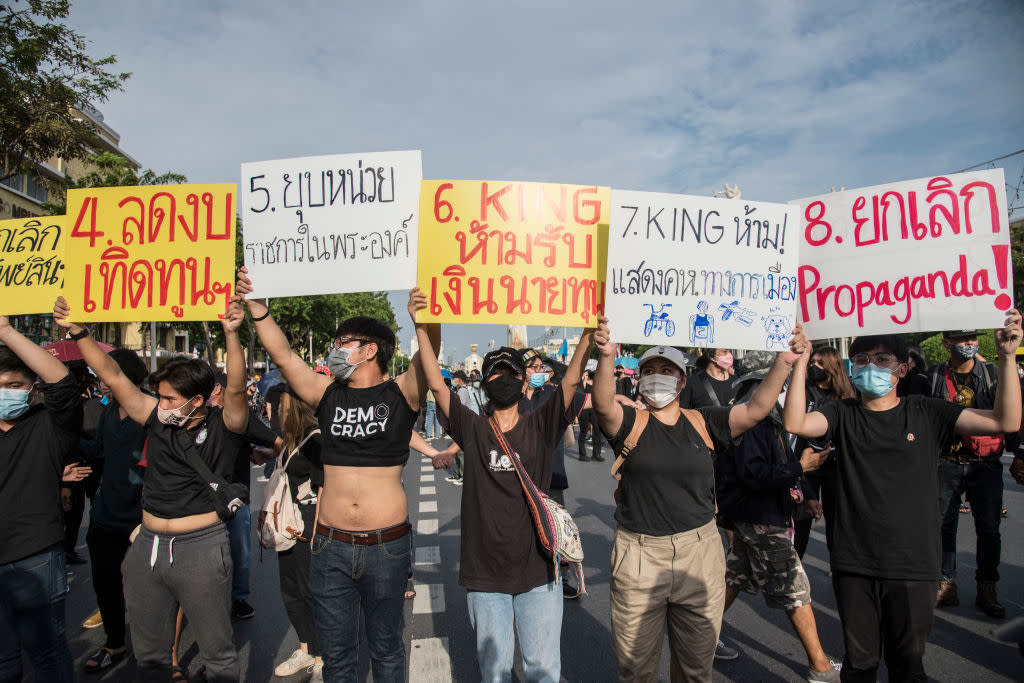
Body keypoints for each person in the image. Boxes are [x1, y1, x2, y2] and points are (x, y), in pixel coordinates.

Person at [783, 312, 1022, 683]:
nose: (870, 367)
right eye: (861, 360)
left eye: (882, 360)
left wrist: (1007, 357)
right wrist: (797, 364)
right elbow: (796, 423)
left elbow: (1004, 422)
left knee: (907, 666)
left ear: (904, 368)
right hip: (854, 563)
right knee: (860, 665)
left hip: (914, 566)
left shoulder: (927, 411)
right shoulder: (841, 413)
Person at [236, 268, 437, 682]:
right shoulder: (327, 394)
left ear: (369, 351)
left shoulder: (401, 393)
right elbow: (285, 358)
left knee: (386, 650)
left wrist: (426, 319)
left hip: (387, 547)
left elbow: (427, 355)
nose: (334, 349)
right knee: (338, 656)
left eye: (343, 343)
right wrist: (259, 312)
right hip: (329, 547)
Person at [591, 315, 802, 682]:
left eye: (667, 370)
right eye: (650, 369)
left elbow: (755, 410)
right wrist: (607, 355)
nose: (658, 376)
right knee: (635, 670)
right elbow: (603, 403)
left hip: (699, 555)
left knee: (695, 671)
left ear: (683, 379)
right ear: (639, 380)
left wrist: (784, 361)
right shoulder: (628, 422)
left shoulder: (704, 421)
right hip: (639, 557)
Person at [53, 296, 252, 682]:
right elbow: (112, 375)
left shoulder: (225, 425)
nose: (159, 405)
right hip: (147, 547)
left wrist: (232, 333)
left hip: (201, 547)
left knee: (218, 654)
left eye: (169, 399)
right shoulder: (155, 418)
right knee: (151, 657)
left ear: (197, 401)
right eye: (158, 397)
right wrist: (78, 332)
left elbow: (238, 388)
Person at [412, 288, 596, 683]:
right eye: (494, 373)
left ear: (522, 380)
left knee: (542, 671)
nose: (502, 379)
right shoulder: (474, 428)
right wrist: (421, 330)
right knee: (493, 672)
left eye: (510, 373)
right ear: (484, 384)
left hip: (539, 571)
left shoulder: (540, 425)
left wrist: (588, 331)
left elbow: (568, 386)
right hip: (485, 575)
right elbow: (438, 386)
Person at [716, 355, 840, 681]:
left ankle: (702, 636)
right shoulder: (755, 421)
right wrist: (803, 467)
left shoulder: (766, 418)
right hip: (761, 518)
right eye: (781, 381)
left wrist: (804, 494)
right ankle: (820, 665)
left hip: (756, 514)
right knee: (795, 590)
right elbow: (756, 475)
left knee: (736, 578)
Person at [0, 316, 83, 683]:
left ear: (32, 387)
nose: (5, 391)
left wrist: (6, 332)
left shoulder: (49, 424)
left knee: (48, 655)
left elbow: (63, 384)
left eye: (13, 384)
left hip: (34, 557)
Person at [78, 348, 149, 674]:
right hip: (106, 515)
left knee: (150, 590)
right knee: (105, 585)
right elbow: (99, 453)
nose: (101, 380)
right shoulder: (106, 412)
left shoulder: (152, 410)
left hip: (144, 518)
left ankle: (160, 652)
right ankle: (115, 643)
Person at [928, 329, 1008, 617]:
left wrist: (1019, 452)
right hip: (945, 461)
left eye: (973, 338)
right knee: (942, 525)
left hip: (985, 463)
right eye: (963, 340)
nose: (970, 344)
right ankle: (946, 583)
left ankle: (988, 587)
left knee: (988, 528)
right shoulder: (934, 375)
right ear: (946, 343)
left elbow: (1014, 413)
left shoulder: (992, 374)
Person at [270, 383, 325, 682]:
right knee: (291, 591)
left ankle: (321, 655)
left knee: (309, 591)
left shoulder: (316, 440)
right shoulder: (291, 442)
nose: (276, 410)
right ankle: (305, 648)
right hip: (287, 525)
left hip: (307, 524)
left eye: (280, 405)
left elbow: (324, 488)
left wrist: (318, 535)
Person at [793, 346, 856, 559]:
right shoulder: (803, 388)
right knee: (802, 518)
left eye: (820, 363)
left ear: (832, 367)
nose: (814, 366)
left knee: (836, 518)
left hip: (835, 465)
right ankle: (795, 566)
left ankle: (838, 562)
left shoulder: (847, 394)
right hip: (806, 463)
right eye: (812, 362)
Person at [577, 370, 606, 462]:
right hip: (584, 409)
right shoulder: (581, 382)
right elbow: (581, 392)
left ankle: (596, 454)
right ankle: (582, 455)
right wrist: (584, 380)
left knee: (597, 431)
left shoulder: (597, 383)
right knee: (583, 431)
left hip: (594, 409)